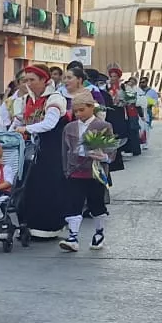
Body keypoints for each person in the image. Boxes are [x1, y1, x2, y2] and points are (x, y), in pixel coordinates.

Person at [9, 66, 71, 237]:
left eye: (32, 80)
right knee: (29, 183)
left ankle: (49, 226)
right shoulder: (27, 99)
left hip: (51, 147)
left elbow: (50, 123)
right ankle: (29, 222)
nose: (28, 83)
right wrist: (9, 133)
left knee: (48, 184)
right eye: (26, 80)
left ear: (44, 80)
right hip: (31, 147)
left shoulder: (54, 98)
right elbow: (19, 119)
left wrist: (25, 129)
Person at [59, 94, 115, 251]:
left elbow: (111, 149)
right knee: (73, 203)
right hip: (75, 171)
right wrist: (66, 170)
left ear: (92, 108)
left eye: (82, 110)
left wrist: (104, 157)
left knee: (96, 203)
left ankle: (99, 233)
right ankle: (73, 236)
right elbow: (65, 151)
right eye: (75, 111)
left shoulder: (103, 126)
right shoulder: (69, 127)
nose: (78, 114)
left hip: (95, 172)